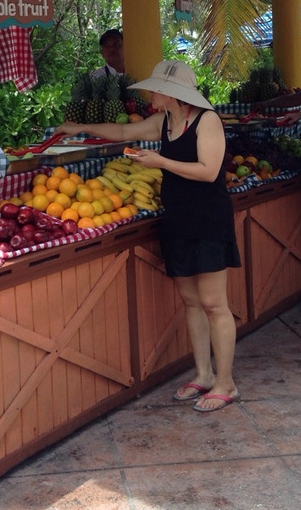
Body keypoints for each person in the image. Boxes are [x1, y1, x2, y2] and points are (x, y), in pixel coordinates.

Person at [56, 60, 241, 412]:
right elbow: (126, 133)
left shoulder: (207, 120)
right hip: (178, 220)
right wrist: (77, 127)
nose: (150, 94)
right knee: (190, 301)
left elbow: (208, 171)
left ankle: (226, 382)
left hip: (208, 220)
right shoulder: (165, 121)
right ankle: (203, 374)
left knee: (215, 304)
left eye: (156, 89)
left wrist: (162, 163)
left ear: (173, 93)